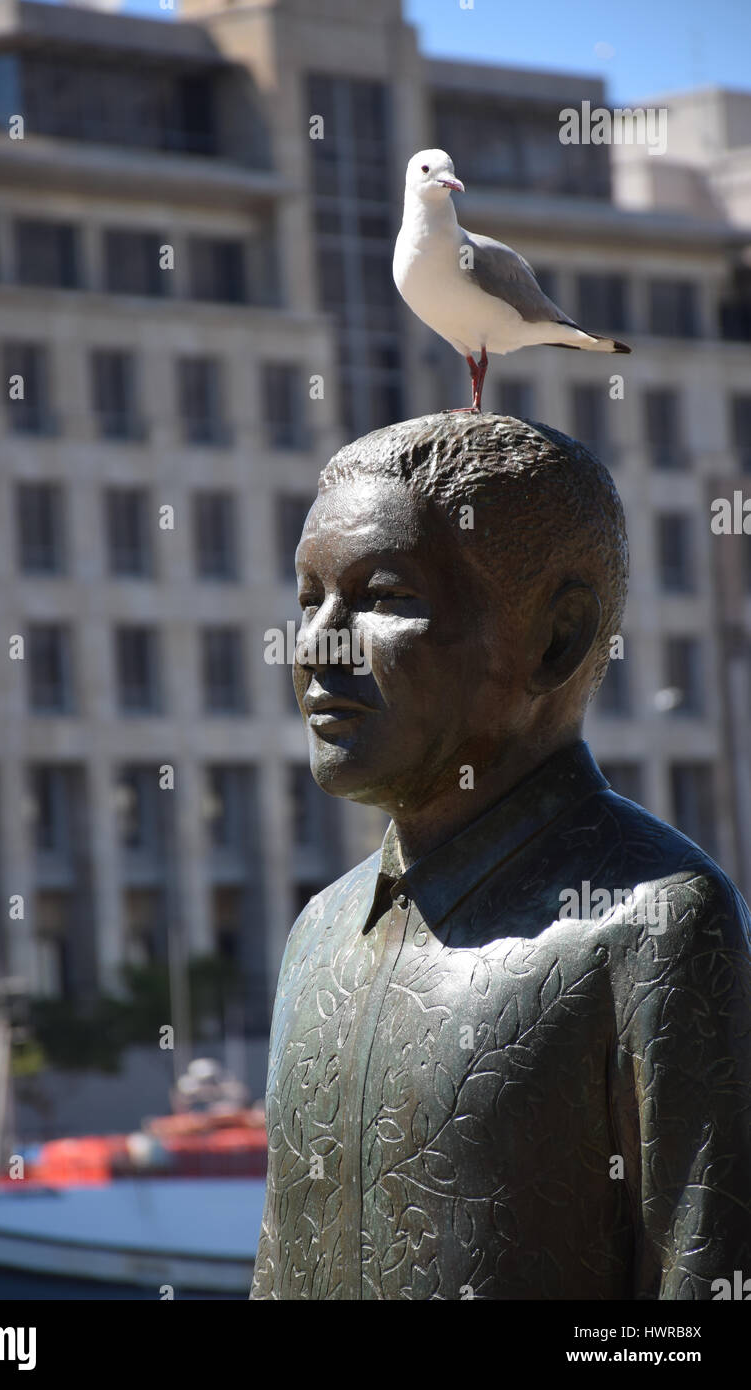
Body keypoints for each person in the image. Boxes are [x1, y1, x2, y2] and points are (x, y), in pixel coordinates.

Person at [251, 412, 751, 1301]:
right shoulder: (319, 932)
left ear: (555, 639)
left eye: (384, 598)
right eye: (307, 599)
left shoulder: (653, 924)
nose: (317, 644)